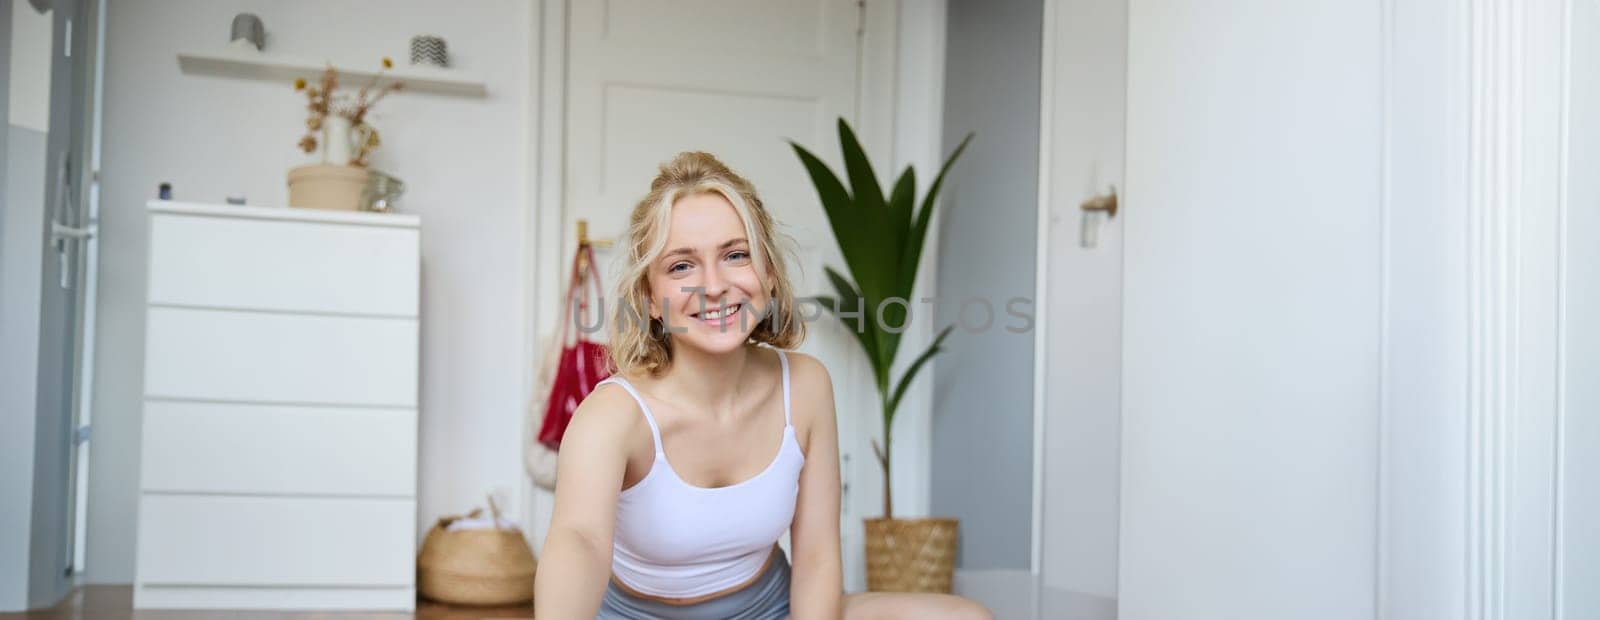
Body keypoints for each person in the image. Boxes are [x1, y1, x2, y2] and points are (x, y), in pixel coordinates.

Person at [534, 152, 993, 619]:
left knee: (965, 617)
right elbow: (581, 543)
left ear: (768, 274)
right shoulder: (612, 415)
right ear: (650, 299)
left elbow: (815, 556)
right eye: (681, 267)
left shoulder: (806, 386)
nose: (713, 286)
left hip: (771, 609)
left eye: (736, 255)